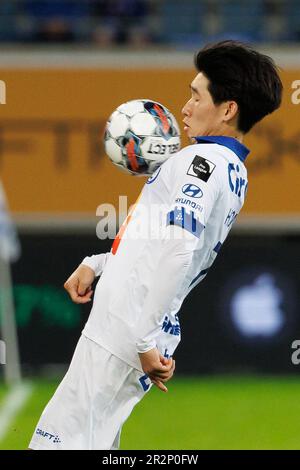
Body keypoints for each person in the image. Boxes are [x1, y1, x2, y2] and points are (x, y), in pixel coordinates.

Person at [29, 40, 283, 450]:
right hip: (132, 327)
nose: (184, 107)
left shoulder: (198, 164)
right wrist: (99, 263)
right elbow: (156, 244)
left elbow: (178, 249)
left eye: (196, 95)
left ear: (228, 108)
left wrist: (144, 340)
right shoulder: (229, 169)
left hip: (125, 330)